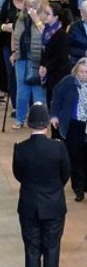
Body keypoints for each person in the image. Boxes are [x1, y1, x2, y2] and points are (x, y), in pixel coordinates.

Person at [14, 102, 70, 267]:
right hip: (54, 206)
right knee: (52, 249)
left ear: (30, 124)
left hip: (29, 206)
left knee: (32, 250)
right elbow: (66, 173)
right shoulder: (58, 147)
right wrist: (54, 190)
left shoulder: (20, 149)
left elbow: (19, 175)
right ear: (47, 124)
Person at [50, 58, 87, 202]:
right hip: (74, 125)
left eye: (86, 72)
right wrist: (53, 115)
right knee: (75, 158)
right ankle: (78, 189)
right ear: (76, 71)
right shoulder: (67, 82)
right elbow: (56, 99)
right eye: (82, 72)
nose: (84, 75)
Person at [12, 0, 47, 128]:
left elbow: (46, 35)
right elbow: (15, 35)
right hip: (22, 57)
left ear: (38, 6)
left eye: (31, 6)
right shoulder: (20, 18)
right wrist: (14, 52)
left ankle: (40, 120)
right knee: (22, 90)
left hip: (37, 59)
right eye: (27, 6)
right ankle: (20, 119)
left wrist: (36, 19)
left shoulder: (43, 18)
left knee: (37, 91)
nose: (28, 9)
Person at [39, 2, 72, 111]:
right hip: (50, 73)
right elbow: (43, 51)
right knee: (50, 103)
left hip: (59, 74)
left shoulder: (61, 34)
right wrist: (41, 65)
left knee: (57, 105)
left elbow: (60, 56)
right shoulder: (46, 31)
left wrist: (47, 67)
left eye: (48, 13)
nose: (45, 16)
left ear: (56, 17)